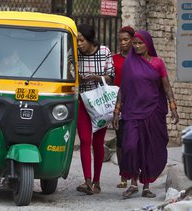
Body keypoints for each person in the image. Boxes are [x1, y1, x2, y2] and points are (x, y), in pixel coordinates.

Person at [112, 30, 179, 199]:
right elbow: (123, 89)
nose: (136, 46)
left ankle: (146, 186)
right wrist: (116, 111)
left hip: (153, 111)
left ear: (148, 44)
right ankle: (133, 183)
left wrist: (173, 107)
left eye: (139, 43)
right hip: (132, 112)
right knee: (130, 146)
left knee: (148, 148)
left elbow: (166, 86)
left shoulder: (158, 63)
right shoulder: (129, 63)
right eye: (134, 43)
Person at [76, 24, 115, 195]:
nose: (78, 44)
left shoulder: (104, 52)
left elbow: (111, 76)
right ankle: (87, 181)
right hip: (82, 101)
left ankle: (97, 181)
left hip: (99, 102)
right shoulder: (75, 54)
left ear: (90, 40)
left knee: (98, 143)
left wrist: (96, 78)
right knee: (85, 140)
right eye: (77, 40)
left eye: (81, 40)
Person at [112, 26, 135, 189]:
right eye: (120, 40)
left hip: (135, 103)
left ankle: (134, 174)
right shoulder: (114, 59)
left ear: (133, 40)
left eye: (126, 39)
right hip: (117, 104)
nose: (123, 43)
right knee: (120, 141)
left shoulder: (138, 59)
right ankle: (123, 175)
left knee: (133, 142)